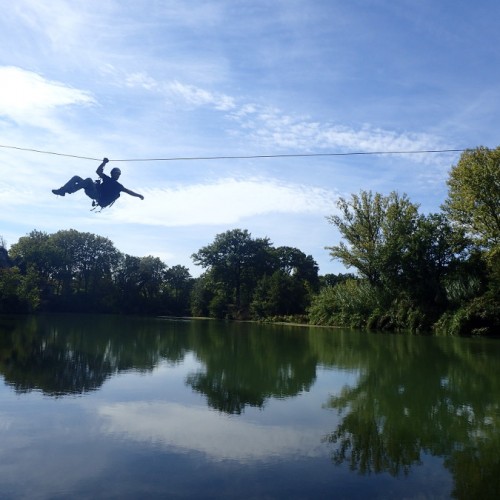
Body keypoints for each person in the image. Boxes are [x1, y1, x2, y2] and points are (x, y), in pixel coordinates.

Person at [52, 158, 144, 209]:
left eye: (118, 174)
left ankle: (68, 191)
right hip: (92, 190)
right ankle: (62, 191)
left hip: (96, 195)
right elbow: (98, 171)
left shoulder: (118, 186)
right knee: (76, 177)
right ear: (112, 174)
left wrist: (139, 195)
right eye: (116, 174)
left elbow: (129, 191)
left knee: (88, 180)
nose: (117, 175)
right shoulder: (107, 178)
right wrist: (104, 163)